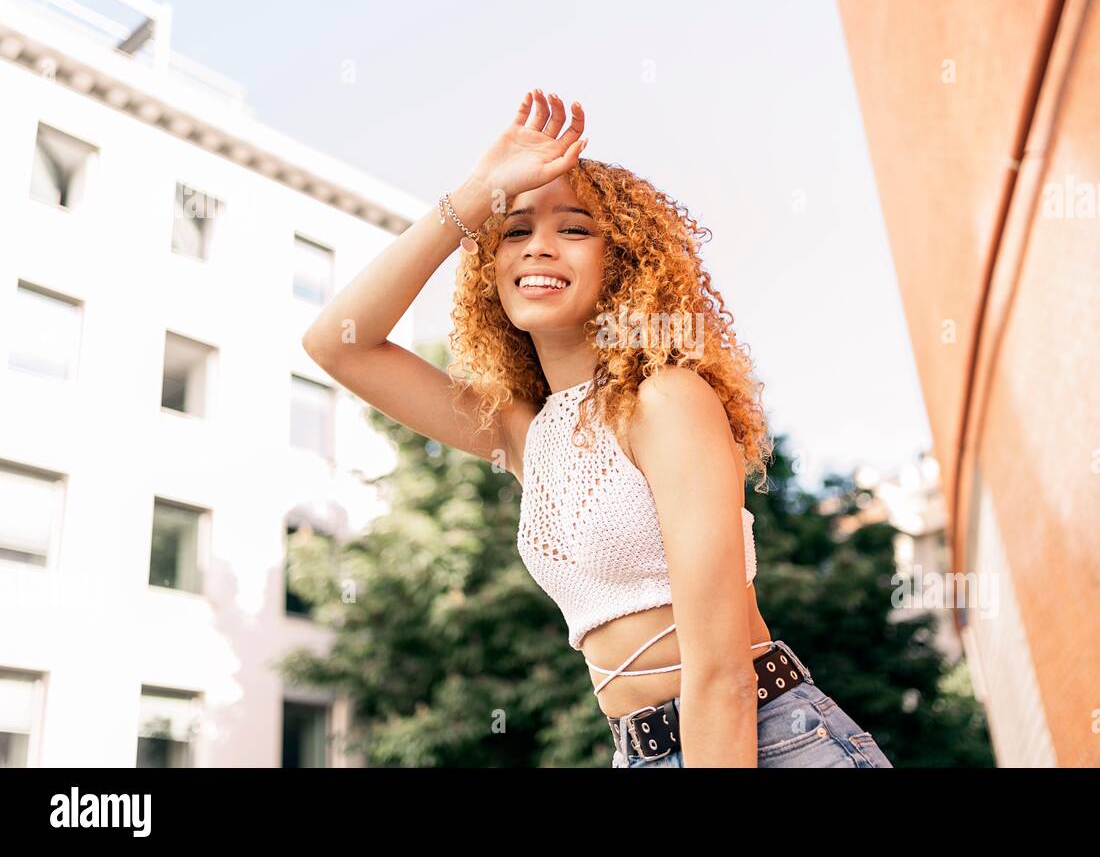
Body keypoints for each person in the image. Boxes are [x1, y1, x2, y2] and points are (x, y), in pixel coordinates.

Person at [302, 87, 893, 769]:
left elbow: (722, 675)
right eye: (516, 231)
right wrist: (473, 198)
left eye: (574, 228)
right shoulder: (526, 434)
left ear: (624, 263)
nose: (538, 248)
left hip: (765, 740)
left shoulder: (666, 400)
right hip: (639, 753)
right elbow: (338, 343)